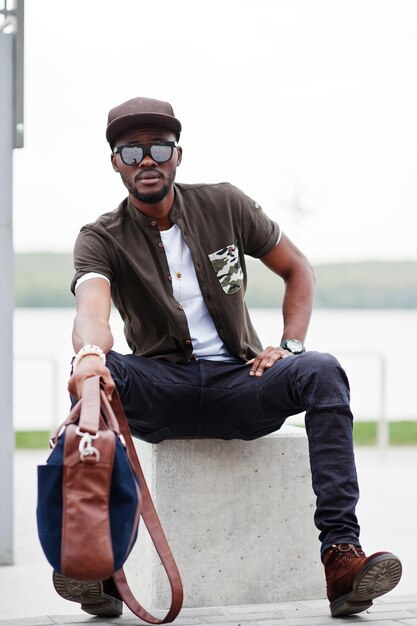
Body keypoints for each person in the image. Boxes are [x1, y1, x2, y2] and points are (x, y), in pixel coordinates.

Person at [54, 96, 402, 619]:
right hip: (162, 387)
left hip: (242, 382)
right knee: (102, 379)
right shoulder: (100, 236)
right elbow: (93, 308)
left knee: (322, 370)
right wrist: (88, 355)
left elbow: (298, 268)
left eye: (159, 148)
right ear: (115, 164)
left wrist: (288, 347)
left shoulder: (226, 203)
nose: (146, 161)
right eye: (130, 152)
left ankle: (341, 559)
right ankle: (101, 571)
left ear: (177, 156)